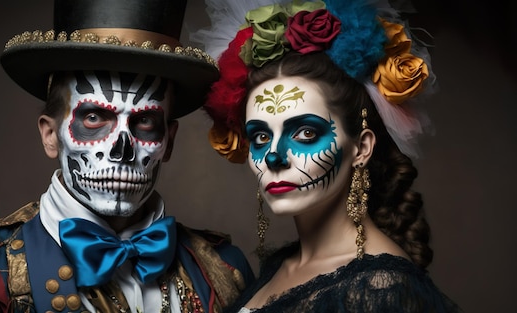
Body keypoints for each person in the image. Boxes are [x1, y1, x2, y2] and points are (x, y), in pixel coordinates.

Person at [0, 0, 254, 312]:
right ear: (49, 135)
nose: (122, 150)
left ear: (169, 141)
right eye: (93, 118)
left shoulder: (225, 272)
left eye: (145, 121)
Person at [191, 0, 462, 312]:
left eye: (305, 133)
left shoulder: (380, 288)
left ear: (361, 147)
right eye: (261, 136)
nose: (274, 157)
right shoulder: (281, 265)